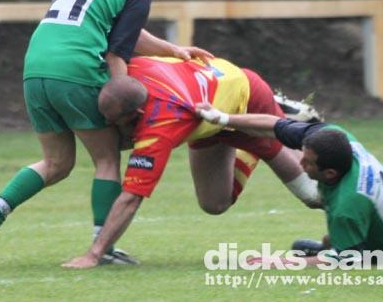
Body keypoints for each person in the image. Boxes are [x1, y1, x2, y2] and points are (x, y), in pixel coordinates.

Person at [0, 0, 212, 267]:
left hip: (35, 66)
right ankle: (102, 247)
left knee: (56, 163)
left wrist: (173, 50)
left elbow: (119, 29)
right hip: (76, 68)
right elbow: (117, 53)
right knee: (107, 159)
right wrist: (124, 103)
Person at [61, 56, 322, 268]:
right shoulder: (130, 69)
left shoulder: (160, 126)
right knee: (214, 204)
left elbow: (131, 198)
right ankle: (249, 149)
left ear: (137, 113)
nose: (110, 128)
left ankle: (279, 124)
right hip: (206, 111)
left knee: (312, 194)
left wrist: (94, 254)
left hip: (246, 99)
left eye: (116, 123)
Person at [195, 105, 383, 281]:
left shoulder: (347, 205)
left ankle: (327, 245)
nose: (300, 163)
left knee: (342, 249)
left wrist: (274, 262)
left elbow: (349, 261)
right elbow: (275, 125)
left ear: (330, 175)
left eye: (307, 163)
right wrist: (223, 118)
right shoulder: (332, 138)